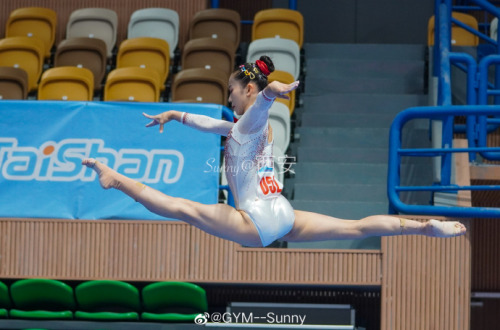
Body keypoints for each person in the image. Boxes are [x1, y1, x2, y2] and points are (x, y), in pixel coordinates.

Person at [82, 56, 466, 247]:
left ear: (246, 91)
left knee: (180, 208)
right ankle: (424, 227)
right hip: (281, 212)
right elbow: (209, 124)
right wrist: (174, 114)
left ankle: (115, 178)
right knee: (355, 226)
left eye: (232, 91)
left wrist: (270, 92)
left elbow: (261, 103)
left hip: (254, 221)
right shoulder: (241, 129)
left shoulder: (252, 120)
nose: (229, 96)